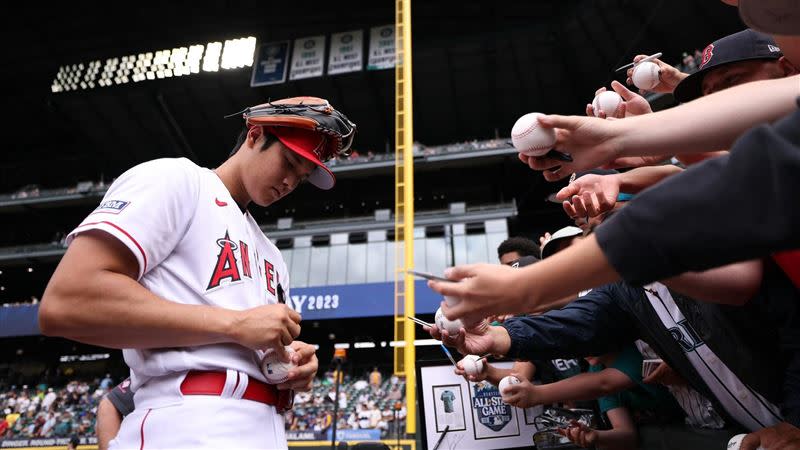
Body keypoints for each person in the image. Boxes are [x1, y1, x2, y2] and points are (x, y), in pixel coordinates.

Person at [38, 97, 356, 449]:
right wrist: (235, 325)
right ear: (255, 135)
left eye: (301, 177)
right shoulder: (177, 180)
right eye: (290, 162)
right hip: (185, 422)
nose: (290, 182)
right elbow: (68, 301)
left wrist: (292, 363)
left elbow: (252, 341)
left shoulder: (272, 255)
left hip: (267, 427)